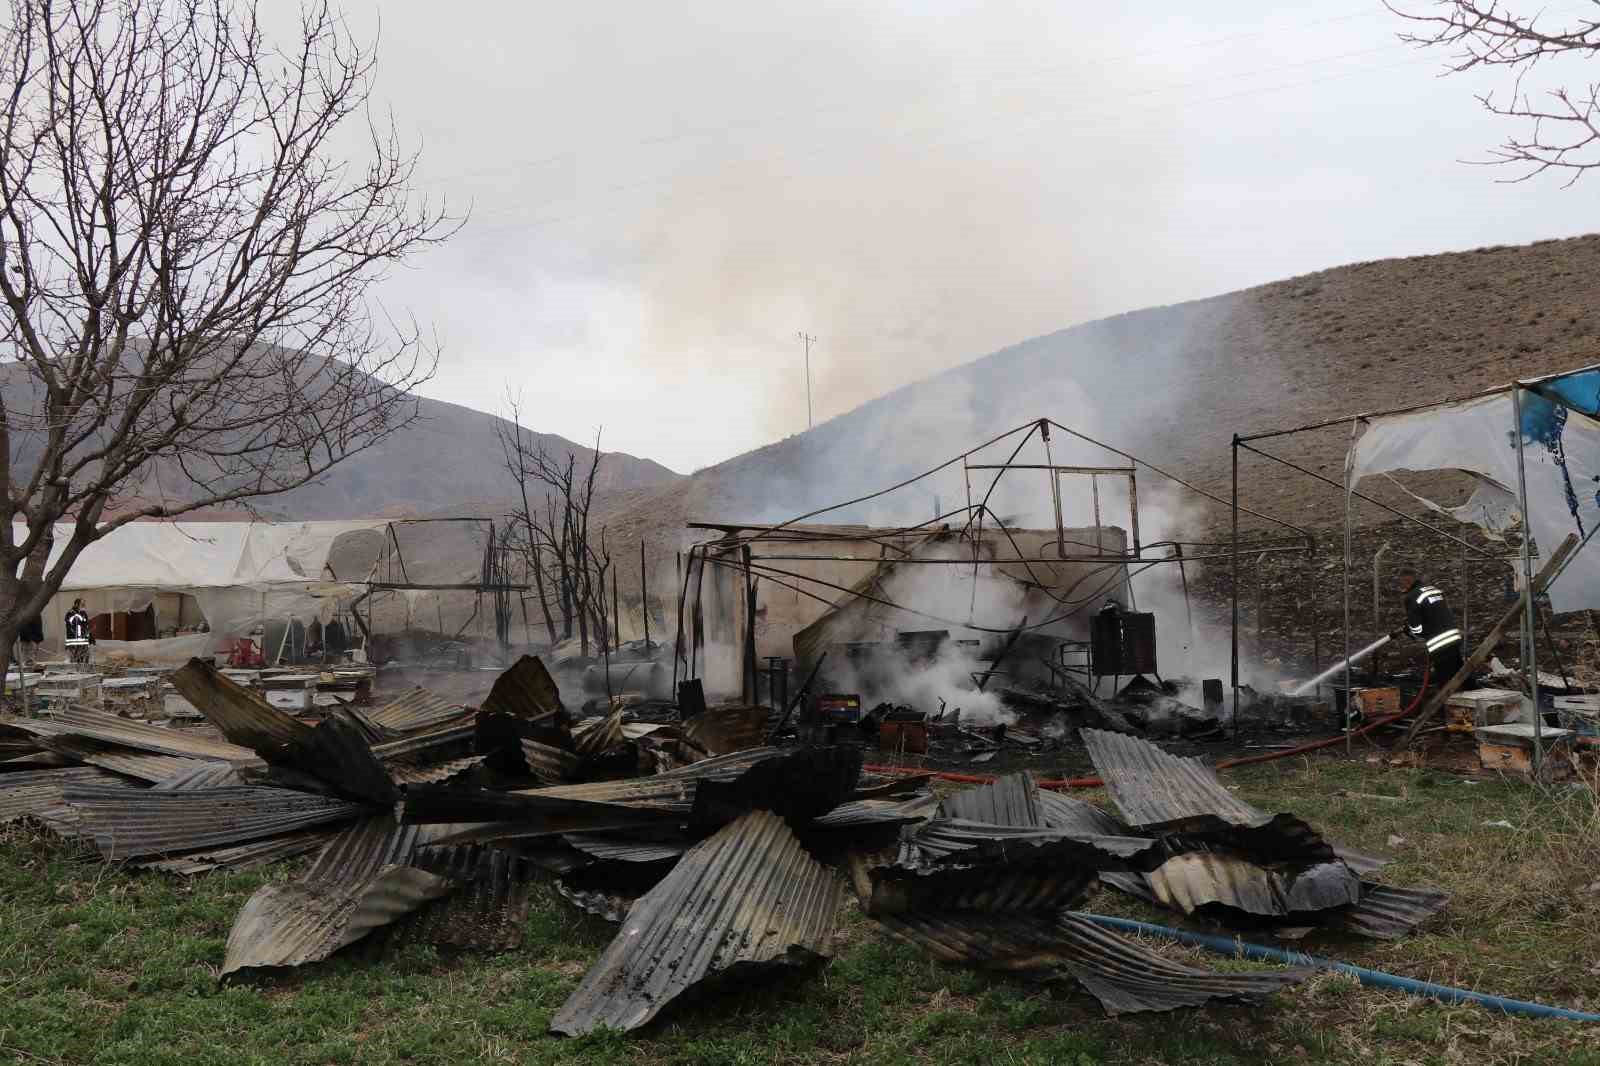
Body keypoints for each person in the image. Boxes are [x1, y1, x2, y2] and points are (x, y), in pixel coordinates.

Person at [1391, 566, 1464, 686]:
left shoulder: (1411, 597)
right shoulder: (1433, 590)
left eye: (1401, 582)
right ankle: (1471, 690)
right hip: (1453, 636)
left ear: (1407, 580)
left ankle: (1446, 703)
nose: (1401, 586)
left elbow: (1417, 629)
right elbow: (1435, 612)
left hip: (1439, 642)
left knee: (1445, 681)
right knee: (1459, 672)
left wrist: (1411, 630)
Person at [64, 599, 94, 666]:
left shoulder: (83, 613)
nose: (84, 606)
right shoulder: (70, 613)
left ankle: (84, 669)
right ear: (76, 604)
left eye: (84, 604)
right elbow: (69, 626)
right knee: (74, 659)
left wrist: (90, 637)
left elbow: (86, 625)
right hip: (73, 640)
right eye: (82, 604)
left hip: (83, 640)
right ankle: (75, 671)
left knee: (85, 657)